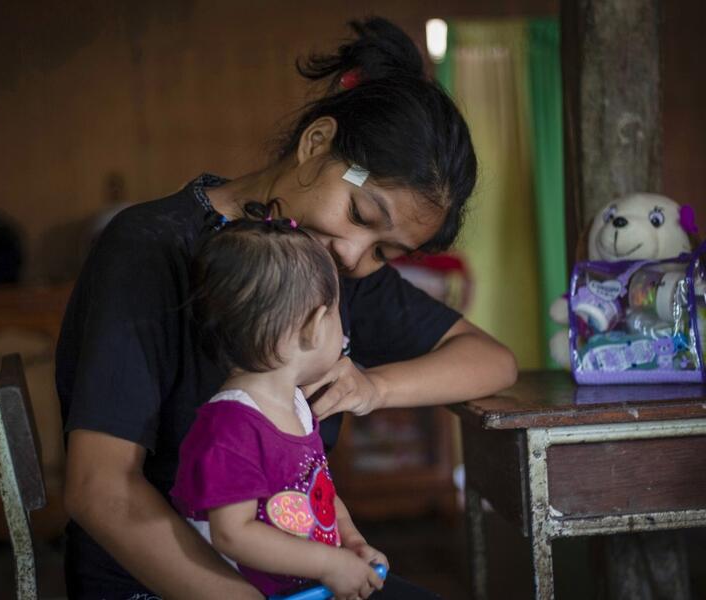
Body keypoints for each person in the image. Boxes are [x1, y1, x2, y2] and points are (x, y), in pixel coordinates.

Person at [57, 16, 518, 600]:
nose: (354, 256)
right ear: (316, 144)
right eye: (358, 213)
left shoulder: (333, 270)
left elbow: (491, 360)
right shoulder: (150, 248)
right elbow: (102, 490)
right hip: (159, 581)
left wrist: (372, 387)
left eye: (386, 251)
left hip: (295, 575)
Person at [171, 216, 389, 599]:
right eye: (338, 311)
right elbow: (232, 533)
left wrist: (349, 544)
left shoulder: (296, 406)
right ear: (315, 325)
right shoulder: (231, 427)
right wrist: (328, 564)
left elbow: (319, 492)